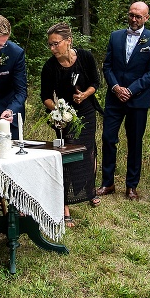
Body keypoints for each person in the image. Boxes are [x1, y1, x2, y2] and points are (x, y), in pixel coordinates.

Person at [97, 1, 150, 201]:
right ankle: (107, 183)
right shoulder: (115, 36)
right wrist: (116, 87)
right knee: (108, 139)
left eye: (138, 16)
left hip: (138, 100)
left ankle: (131, 186)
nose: (134, 19)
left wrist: (131, 90)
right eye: (131, 15)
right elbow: (107, 66)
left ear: (146, 18)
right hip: (115, 98)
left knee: (135, 142)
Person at [40, 23, 103, 226]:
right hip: (63, 116)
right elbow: (45, 97)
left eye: (55, 44)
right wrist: (58, 110)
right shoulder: (50, 67)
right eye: (49, 45)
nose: (52, 48)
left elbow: (95, 82)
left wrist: (85, 94)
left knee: (88, 150)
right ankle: (65, 204)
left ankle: (89, 190)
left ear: (69, 41)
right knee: (67, 157)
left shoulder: (84, 57)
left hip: (85, 111)